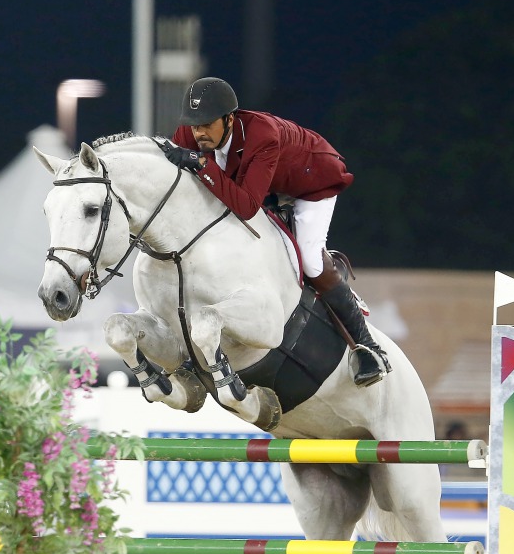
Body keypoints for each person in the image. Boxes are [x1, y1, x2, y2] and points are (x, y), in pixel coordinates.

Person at [161, 76, 390, 387]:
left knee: (309, 259)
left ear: (230, 119)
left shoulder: (261, 135)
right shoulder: (192, 135)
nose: (198, 132)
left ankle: (368, 348)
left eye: (206, 124)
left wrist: (201, 164)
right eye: (193, 124)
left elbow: (245, 207)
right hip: (265, 184)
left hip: (310, 182)